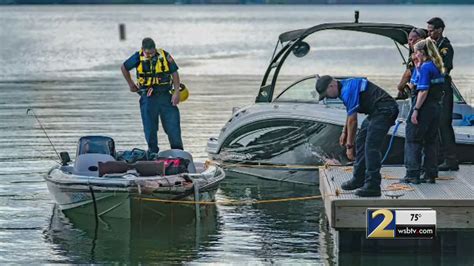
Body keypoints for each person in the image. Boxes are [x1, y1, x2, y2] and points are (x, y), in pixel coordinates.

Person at [316, 76, 398, 197]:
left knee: (371, 147)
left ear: (331, 86)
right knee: (361, 140)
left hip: (386, 109)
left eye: (325, 93)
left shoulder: (346, 91)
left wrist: (349, 146)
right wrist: (345, 132)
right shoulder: (343, 86)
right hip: (376, 111)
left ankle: (373, 186)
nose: (326, 97)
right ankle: (358, 179)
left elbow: (353, 121)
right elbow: (350, 114)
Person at [121, 38, 183, 154]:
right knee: (150, 129)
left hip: (166, 97)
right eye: (147, 53)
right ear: (142, 50)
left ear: (155, 49)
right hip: (148, 98)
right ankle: (153, 153)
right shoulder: (137, 57)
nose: (149, 55)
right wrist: (131, 84)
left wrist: (176, 92)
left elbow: (174, 72)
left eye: (152, 52)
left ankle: (179, 154)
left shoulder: (165, 55)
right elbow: (124, 67)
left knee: (173, 127)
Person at [403, 38, 446, 184]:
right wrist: (417, 66)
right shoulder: (436, 66)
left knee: (413, 138)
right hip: (436, 107)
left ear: (422, 52)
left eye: (416, 52)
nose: (414, 55)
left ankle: (412, 173)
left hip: (424, 107)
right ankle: (430, 173)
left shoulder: (426, 68)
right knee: (431, 140)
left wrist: (415, 110)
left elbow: (423, 91)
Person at [427, 17, 458, 171]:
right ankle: (439, 157)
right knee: (436, 125)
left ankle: (451, 159)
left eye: (431, 30)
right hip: (435, 90)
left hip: (443, 90)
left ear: (440, 30)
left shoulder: (445, 47)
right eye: (428, 30)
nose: (429, 33)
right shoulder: (431, 45)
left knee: (444, 124)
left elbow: (445, 68)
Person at [396, 28, 427, 99]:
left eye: (411, 40)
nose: (409, 43)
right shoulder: (413, 54)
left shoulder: (424, 54)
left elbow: (409, 72)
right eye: (408, 40)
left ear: (420, 40)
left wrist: (400, 87)